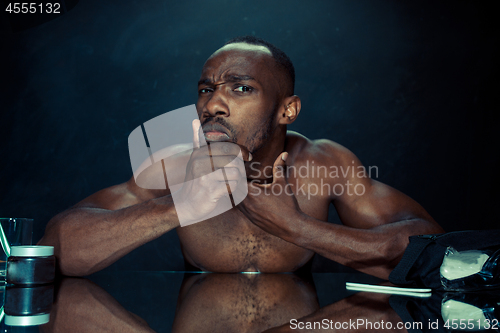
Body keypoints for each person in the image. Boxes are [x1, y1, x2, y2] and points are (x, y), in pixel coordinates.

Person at [38, 36, 444, 279]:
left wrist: (297, 228)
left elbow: (430, 246)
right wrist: (177, 207)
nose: (212, 104)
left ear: (288, 110)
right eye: (205, 89)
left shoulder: (323, 163)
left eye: (241, 88)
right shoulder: (175, 165)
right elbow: (54, 250)